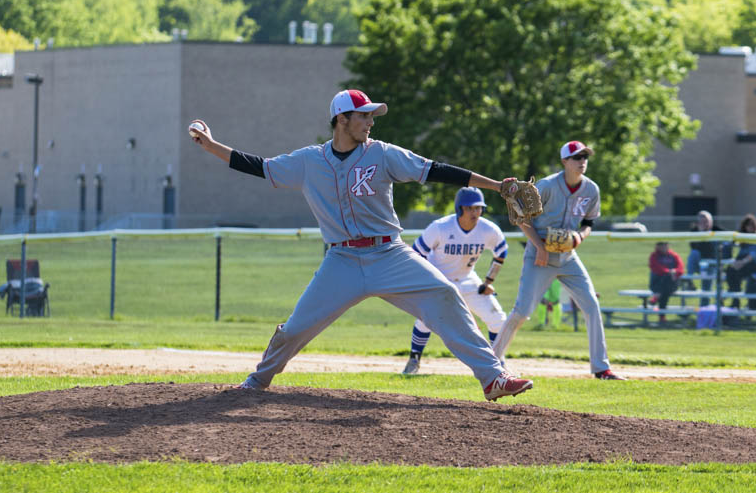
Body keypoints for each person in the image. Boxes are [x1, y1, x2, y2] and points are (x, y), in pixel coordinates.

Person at [188, 89, 532, 401]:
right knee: (296, 327)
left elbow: (435, 170)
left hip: (389, 254)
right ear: (341, 119)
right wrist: (210, 144)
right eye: (364, 115)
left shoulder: (382, 154)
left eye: (371, 116)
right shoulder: (309, 161)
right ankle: (258, 381)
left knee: (445, 294)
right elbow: (259, 167)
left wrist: (496, 186)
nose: (370, 122)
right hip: (342, 261)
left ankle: (493, 377)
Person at [490, 141, 626, 380]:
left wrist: (579, 238)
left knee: (592, 307)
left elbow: (589, 222)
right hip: (539, 255)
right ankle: (491, 361)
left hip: (568, 256)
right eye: (576, 157)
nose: (582, 161)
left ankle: (601, 368)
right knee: (522, 312)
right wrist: (539, 247)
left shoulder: (591, 189)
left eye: (584, 156)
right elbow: (521, 217)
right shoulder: (547, 186)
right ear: (564, 162)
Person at [401, 187, 509, 375]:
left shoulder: (487, 229)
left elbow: (501, 252)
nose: (475, 213)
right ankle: (414, 359)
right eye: (470, 208)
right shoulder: (440, 227)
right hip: (440, 281)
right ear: (460, 208)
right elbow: (417, 253)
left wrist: (489, 281)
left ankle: (498, 362)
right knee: (425, 318)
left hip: (467, 279)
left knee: (498, 319)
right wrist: (428, 279)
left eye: (479, 208)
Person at [726, 214, 756, 312]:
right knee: (730, 271)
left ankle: (735, 298)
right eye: (748, 225)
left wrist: (741, 262)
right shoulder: (744, 238)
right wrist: (736, 263)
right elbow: (740, 255)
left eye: (752, 225)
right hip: (748, 266)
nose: (750, 227)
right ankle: (735, 299)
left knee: (735, 269)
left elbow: (755, 254)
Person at [684, 211, 730, 305]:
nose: (704, 224)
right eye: (701, 222)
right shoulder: (694, 231)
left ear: (711, 222)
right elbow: (694, 247)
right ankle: (689, 280)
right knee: (694, 253)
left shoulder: (717, 230)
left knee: (707, 286)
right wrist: (701, 234)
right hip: (699, 263)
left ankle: (707, 308)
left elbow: (729, 241)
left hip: (711, 264)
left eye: (706, 221)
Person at [648, 241, 684, 324]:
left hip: (672, 284)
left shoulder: (674, 256)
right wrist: (669, 272)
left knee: (665, 286)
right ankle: (662, 317)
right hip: (656, 283)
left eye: (665, 245)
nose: (663, 247)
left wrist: (674, 272)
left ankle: (656, 297)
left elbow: (680, 268)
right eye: (661, 245)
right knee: (665, 289)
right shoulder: (654, 256)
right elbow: (655, 268)